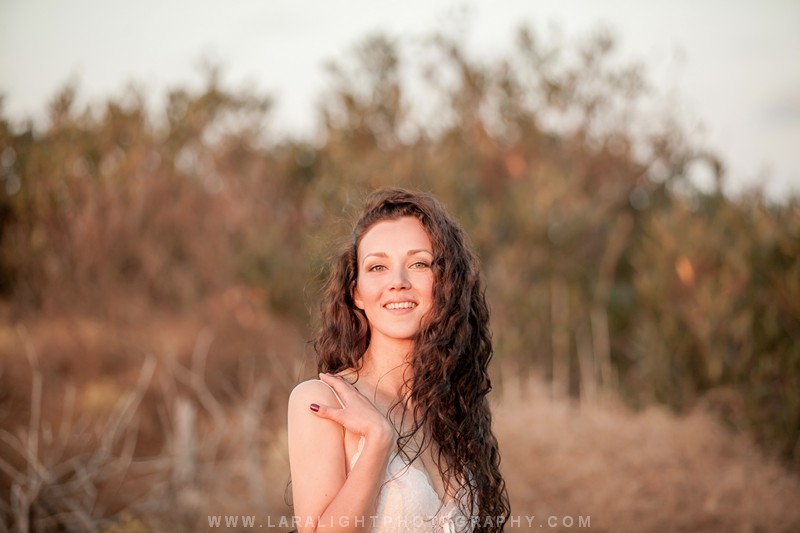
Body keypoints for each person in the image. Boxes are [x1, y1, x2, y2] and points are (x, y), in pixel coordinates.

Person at [287, 188, 510, 532]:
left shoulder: (452, 409)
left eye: (419, 263)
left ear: (445, 283)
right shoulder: (323, 401)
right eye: (377, 267)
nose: (398, 282)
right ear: (356, 292)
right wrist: (377, 440)